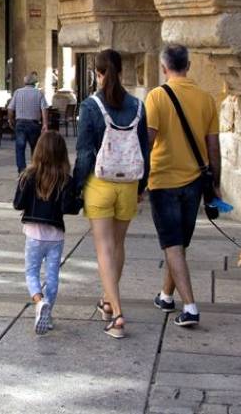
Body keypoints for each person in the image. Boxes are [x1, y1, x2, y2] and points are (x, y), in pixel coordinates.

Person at [72, 49, 150, 339]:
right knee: (118, 245)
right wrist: (142, 187)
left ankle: (116, 313)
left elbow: (83, 153)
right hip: (129, 183)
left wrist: (77, 187)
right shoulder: (138, 106)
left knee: (104, 248)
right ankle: (106, 300)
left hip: (99, 183)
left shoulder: (91, 106)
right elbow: (145, 151)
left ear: (98, 72)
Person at [145, 44, 220, 328]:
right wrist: (215, 183)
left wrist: (140, 181)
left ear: (165, 68)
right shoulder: (206, 99)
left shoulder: (157, 97)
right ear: (188, 66)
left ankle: (190, 307)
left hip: (163, 180)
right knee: (178, 243)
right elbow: (214, 145)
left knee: (173, 244)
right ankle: (166, 296)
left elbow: (148, 141)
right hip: (194, 182)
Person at [14, 131, 73, 335]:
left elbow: (17, 204)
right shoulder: (65, 179)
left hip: (33, 234)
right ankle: (47, 313)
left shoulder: (29, 175)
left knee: (31, 272)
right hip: (56, 236)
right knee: (53, 276)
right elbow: (70, 207)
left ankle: (39, 303)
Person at [8, 71, 49, 173]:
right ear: (34, 83)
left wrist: (10, 119)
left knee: (20, 147)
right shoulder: (39, 93)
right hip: (33, 124)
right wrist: (45, 124)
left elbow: (10, 108)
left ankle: (21, 170)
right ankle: (35, 169)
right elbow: (44, 109)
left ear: (24, 82)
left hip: (20, 123)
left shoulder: (18, 92)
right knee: (34, 148)